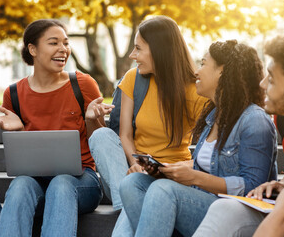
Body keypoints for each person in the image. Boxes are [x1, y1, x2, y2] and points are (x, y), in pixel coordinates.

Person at [119, 40, 277, 237]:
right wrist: (166, 170)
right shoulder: (213, 116)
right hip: (203, 202)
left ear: (222, 71)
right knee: (132, 183)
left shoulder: (254, 120)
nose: (197, 72)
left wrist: (196, 177)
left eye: (203, 64)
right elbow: (206, 167)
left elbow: (253, 187)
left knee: (164, 190)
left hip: (233, 213)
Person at [0, 19, 113, 237]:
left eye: (66, 43)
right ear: (33, 49)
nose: (63, 49)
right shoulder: (14, 94)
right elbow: (23, 158)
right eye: (54, 43)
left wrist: (92, 119)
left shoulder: (82, 84)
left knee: (62, 183)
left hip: (81, 182)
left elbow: (99, 145)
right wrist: (17, 132)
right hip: (35, 184)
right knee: (19, 186)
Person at [88, 16, 207, 236]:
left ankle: (131, 204)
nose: (133, 55)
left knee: (127, 213)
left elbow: (209, 148)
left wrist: (181, 169)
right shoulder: (134, 79)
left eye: (138, 49)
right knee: (102, 136)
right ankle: (131, 200)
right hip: (128, 171)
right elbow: (124, 134)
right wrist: (135, 163)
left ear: (160, 51)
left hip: (171, 176)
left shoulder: (195, 90)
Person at [193, 31, 284, 237]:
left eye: (273, 80)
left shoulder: (254, 119)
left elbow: (282, 218)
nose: (262, 84)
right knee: (224, 209)